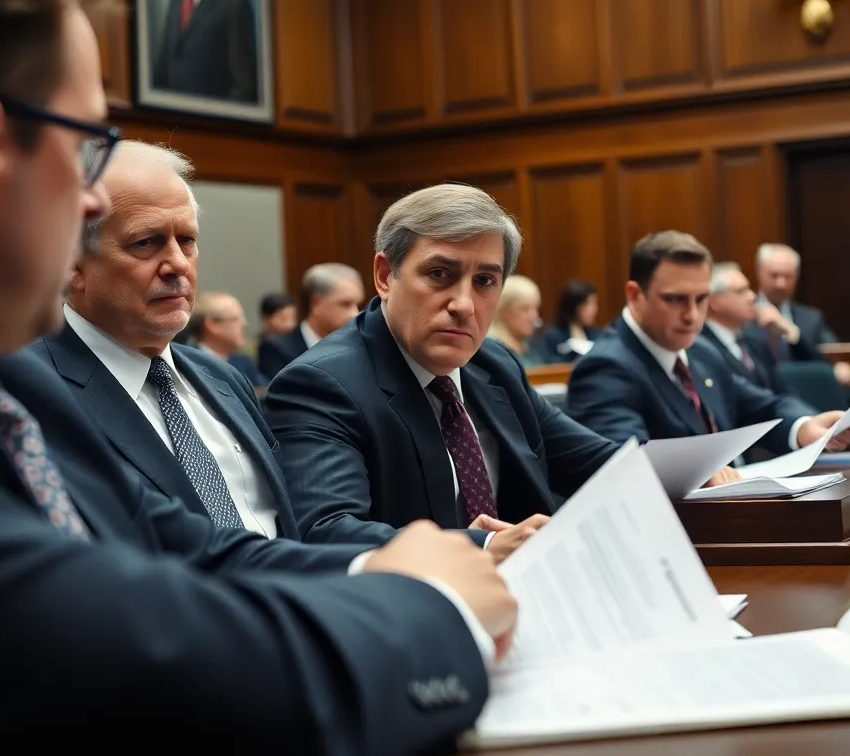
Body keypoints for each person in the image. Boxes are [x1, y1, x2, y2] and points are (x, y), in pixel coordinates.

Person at [0, 0, 512, 746]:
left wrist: (379, 567)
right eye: (86, 148)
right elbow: (149, 662)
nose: (93, 202)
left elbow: (186, 545)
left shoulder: (7, 384)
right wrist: (438, 613)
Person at [262, 184, 621, 561]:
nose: (464, 305)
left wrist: (667, 466)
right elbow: (327, 532)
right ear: (385, 276)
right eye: (439, 273)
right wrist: (484, 547)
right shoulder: (321, 384)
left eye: (485, 281)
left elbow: (601, 463)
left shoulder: (493, 363)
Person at [34, 141, 295, 534]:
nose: (177, 264)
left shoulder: (223, 378)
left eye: (187, 240)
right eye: (146, 242)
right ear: (72, 263)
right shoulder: (32, 391)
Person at [567, 232, 850, 483]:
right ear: (635, 295)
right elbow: (625, 463)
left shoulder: (700, 350)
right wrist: (698, 471)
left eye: (701, 298)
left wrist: (804, 427)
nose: (692, 315)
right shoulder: (605, 367)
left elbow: (760, 405)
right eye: (675, 299)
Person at [755, 242, 850, 389]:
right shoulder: (741, 314)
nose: (781, 284)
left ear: (797, 276)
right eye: (774, 275)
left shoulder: (811, 318)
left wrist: (793, 333)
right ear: (759, 272)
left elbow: (832, 355)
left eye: (787, 276)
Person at [703, 262, 803, 399]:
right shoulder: (701, 347)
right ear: (714, 301)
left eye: (749, 289)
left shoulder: (755, 341)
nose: (752, 296)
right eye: (741, 291)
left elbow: (783, 392)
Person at [259, 262, 364, 378]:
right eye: (345, 304)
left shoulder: (359, 347)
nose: (355, 313)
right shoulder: (278, 350)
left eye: (357, 305)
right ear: (315, 303)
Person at [190, 290, 266, 385]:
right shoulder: (187, 361)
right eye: (235, 319)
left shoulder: (243, 362)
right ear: (212, 325)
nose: (244, 324)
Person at [486, 274, 547, 367]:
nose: (534, 316)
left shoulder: (534, 345)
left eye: (536, 308)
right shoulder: (491, 349)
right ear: (503, 310)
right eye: (525, 309)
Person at [541, 279, 601, 362]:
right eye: (587, 304)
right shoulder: (553, 335)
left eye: (594, 303)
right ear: (574, 306)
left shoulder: (596, 334)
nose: (594, 310)